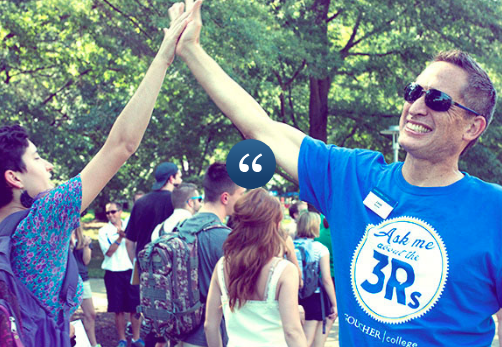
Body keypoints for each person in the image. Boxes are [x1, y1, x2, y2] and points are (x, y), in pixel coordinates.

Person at [172, 2, 500, 345]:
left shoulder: (493, 211)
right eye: (413, 92)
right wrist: (191, 50)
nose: (416, 106)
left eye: (437, 99)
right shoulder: (353, 178)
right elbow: (262, 128)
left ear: (472, 127)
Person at [0, 8, 193, 345]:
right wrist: (164, 55)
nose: (48, 167)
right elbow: (122, 145)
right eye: (37, 158)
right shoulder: (42, 221)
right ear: (14, 178)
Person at [205, 188, 307, 347]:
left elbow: (210, 326)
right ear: (276, 224)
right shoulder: (285, 271)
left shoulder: (222, 266)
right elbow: (292, 332)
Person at [177, 162, 246, 347]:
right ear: (225, 197)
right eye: (240, 194)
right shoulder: (225, 237)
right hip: (209, 337)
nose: (242, 200)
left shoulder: (180, 228)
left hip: (178, 334)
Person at [98, 202, 143, 347]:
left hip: (130, 271)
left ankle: (136, 338)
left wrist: (127, 234)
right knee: (117, 309)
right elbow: (109, 252)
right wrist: (120, 237)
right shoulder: (103, 231)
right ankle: (122, 339)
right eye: (108, 213)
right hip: (113, 272)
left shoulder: (131, 226)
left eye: (113, 212)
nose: (111, 215)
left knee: (135, 307)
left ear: (120, 212)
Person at [125, 161, 182, 263]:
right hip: (170, 270)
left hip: (145, 269)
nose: (181, 180)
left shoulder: (140, 203)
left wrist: (137, 264)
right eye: (179, 177)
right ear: (171, 178)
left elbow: (129, 242)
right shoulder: (178, 202)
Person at [295, 212, 337, 347]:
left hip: (293, 296)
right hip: (314, 297)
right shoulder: (320, 249)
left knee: (301, 336)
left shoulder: (290, 246)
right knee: (307, 341)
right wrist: (334, 303)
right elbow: (326, 279)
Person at [70, 226, 100, 347]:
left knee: (90, 313)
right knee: (69, 314)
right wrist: (70, 246)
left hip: (83, 279)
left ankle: (93, 343)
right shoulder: (63, 237)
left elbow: (86, 261)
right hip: (69, 280)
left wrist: (87, 246)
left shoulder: (84, 239)